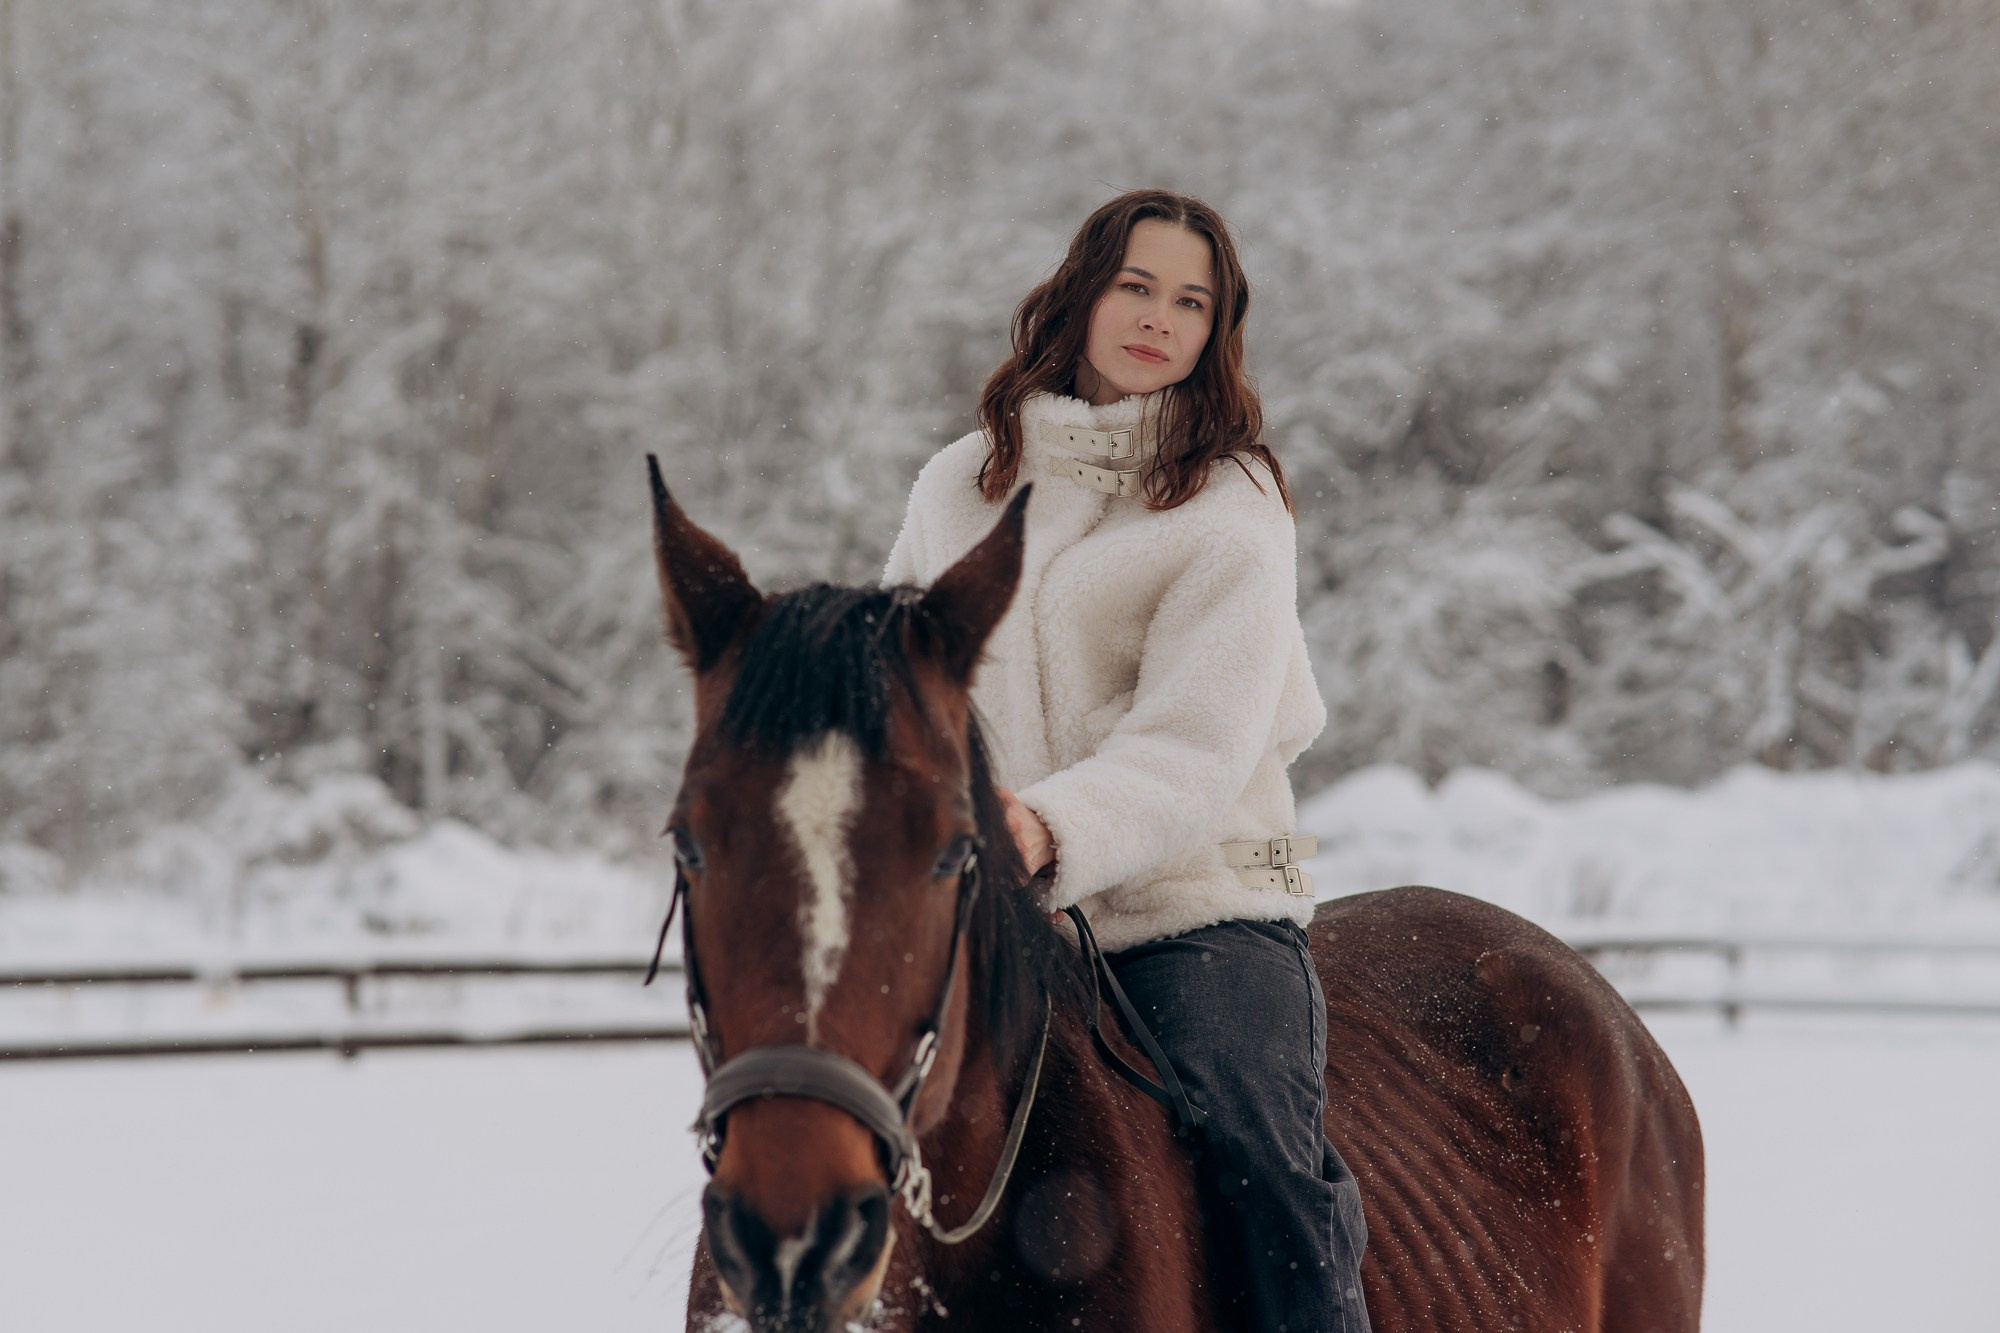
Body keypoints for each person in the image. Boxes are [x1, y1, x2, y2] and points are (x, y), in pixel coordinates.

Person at [883, 189, 1371, 1332]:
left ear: (1215, 331)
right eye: (1136, 286)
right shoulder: (958, 485)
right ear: (1083, 291)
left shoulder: (1230, 500)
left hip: (1191, 905)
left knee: (1254, 1153)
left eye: (1190, 301)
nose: (1159, 318)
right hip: (990, 909)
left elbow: (1192, 747)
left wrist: (1048, 829)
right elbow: (903, 682)